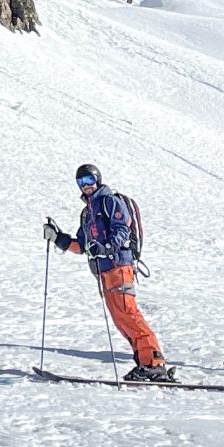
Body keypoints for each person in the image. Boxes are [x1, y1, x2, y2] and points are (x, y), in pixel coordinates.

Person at [46, 162, 172, 383]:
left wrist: (106, 247)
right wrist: (58, 238)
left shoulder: (109, 202)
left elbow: (123, 229)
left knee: (128, 313)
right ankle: (144, 362)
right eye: (81, 182)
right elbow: (82, 246)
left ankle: (154, 362)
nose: (86, 186)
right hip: (105, 272)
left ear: (98, 180)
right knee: (120, 318)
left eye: (89, 181)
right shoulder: (87, 213)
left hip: (119, 266)